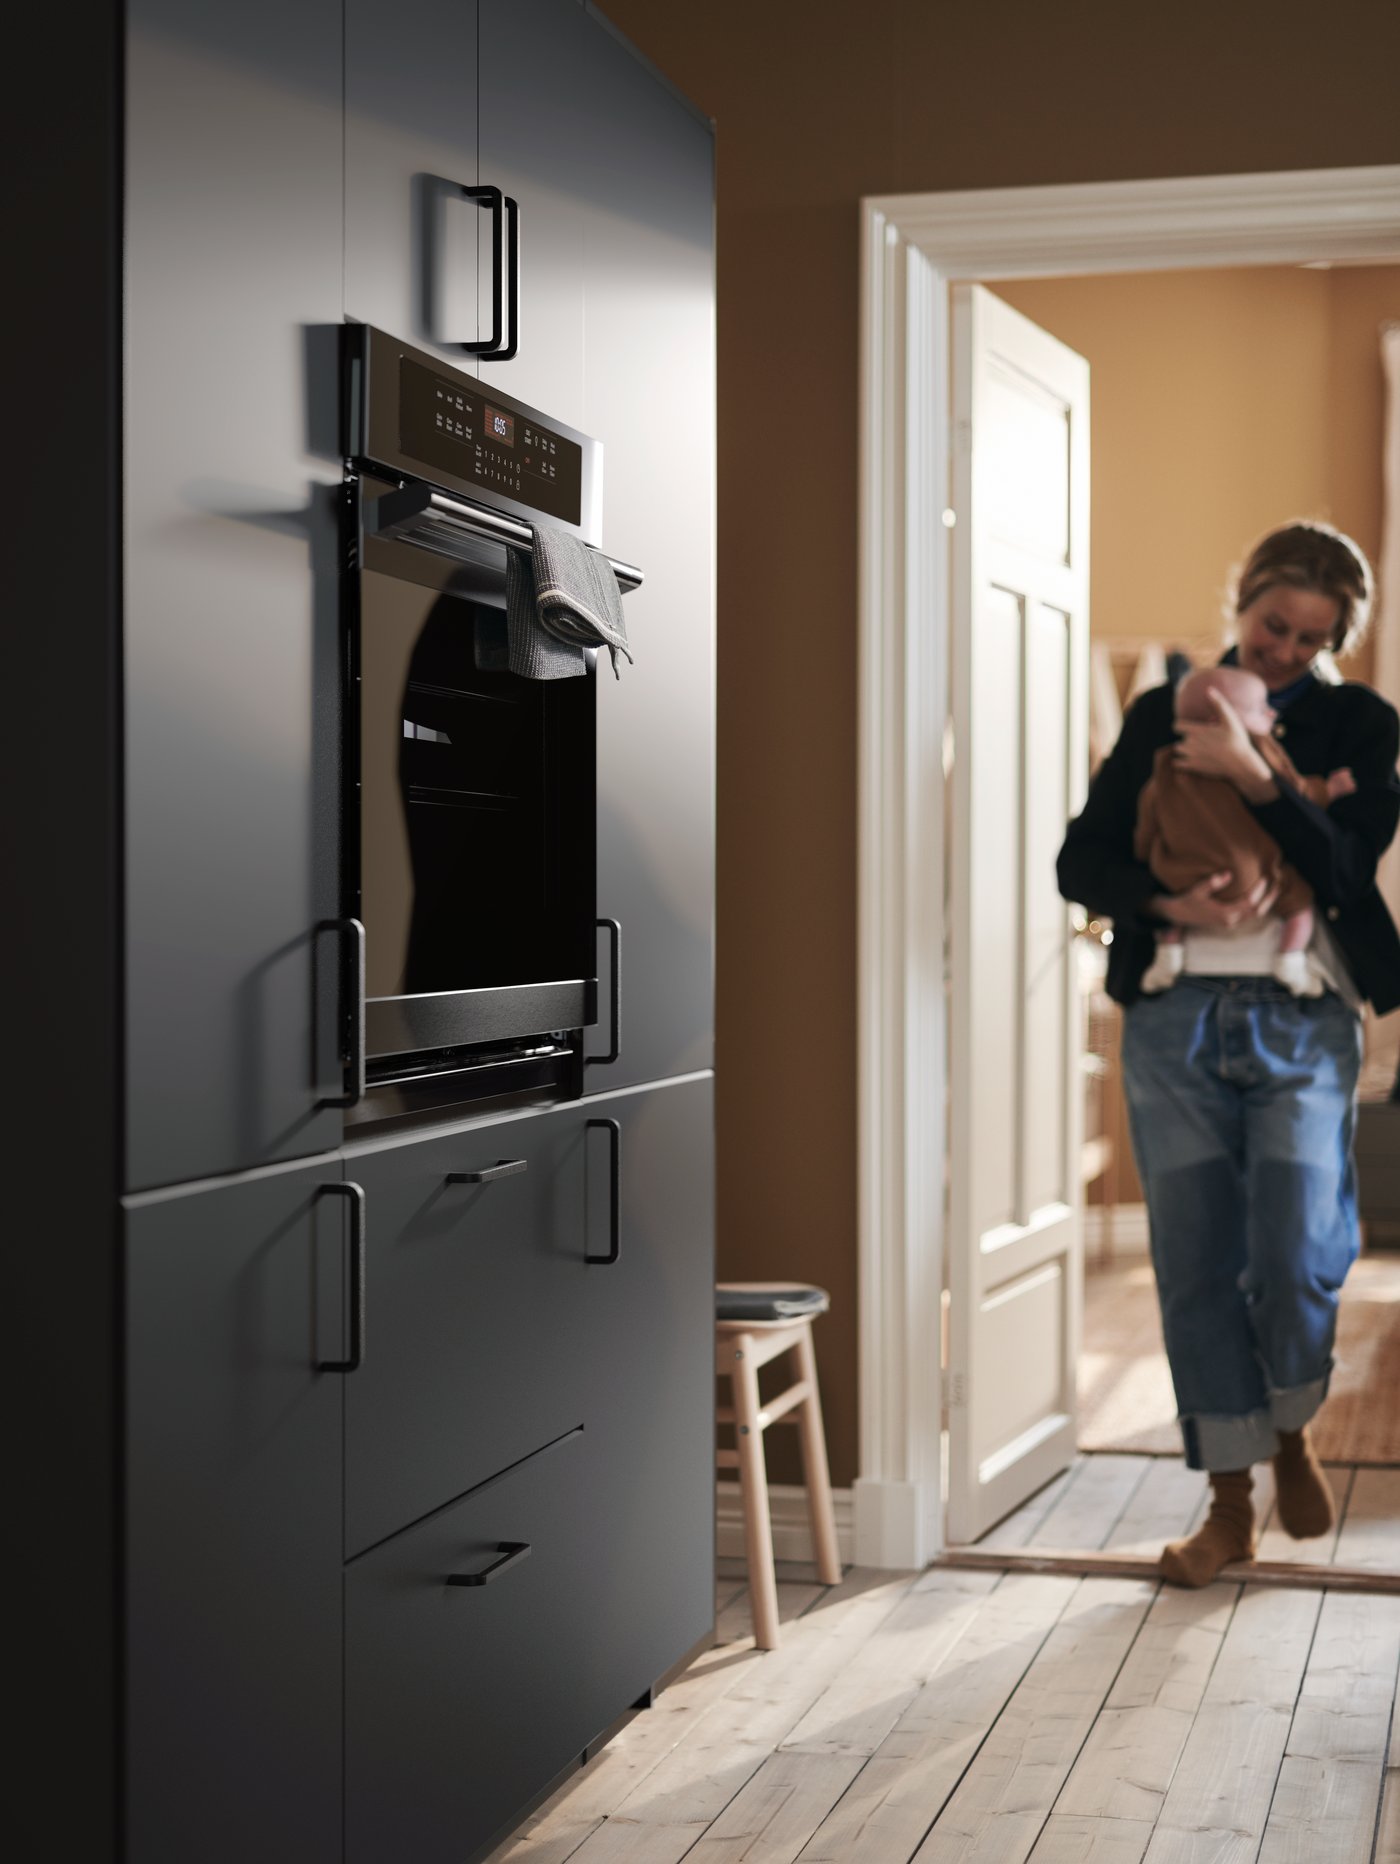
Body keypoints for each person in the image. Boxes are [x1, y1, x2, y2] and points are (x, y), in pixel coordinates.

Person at [1058, 520, 1400, 1587]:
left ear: (1337, 635)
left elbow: (1345, 867)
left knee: (1298, 1246)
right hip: (1171, 1024)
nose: (1284, 652)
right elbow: (1082, 856)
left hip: (1301, 1019)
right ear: (1240, 601)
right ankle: (1226, 1501)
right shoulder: (1162, 710)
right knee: (1196, 1260)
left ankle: (1291, 1424)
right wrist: (1163, 899)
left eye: (1309, 636)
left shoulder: (1356, 722)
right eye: (1269, 626)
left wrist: (1255, 779)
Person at [1134, 662, 1357, 998]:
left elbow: (1146, 820)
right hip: (1257, 878)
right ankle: (1291, 959)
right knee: (1299, 903)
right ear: (1218, 721)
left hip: (1184, 876)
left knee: (1173, 910)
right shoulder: (1263, 750)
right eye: (1259, 708)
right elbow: (1296, 792)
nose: (1271, 715)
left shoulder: (1165, 768)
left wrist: (1148, 856)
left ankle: (1168, 954)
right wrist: (1329, 790)